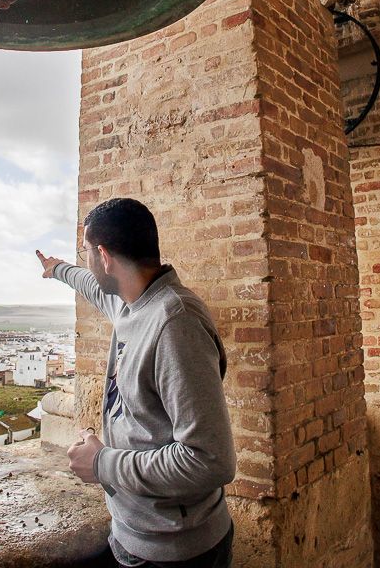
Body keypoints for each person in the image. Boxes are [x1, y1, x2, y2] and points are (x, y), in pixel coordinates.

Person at [36, 197, 236, 568]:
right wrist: (57, 269)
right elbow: (90, 284)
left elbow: (211, 462)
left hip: (178, 553)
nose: (86, 263)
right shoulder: (131, 302)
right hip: (135, 535)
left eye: (86, 254)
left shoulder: (175, 324)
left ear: (104, 256)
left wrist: (102, 464)